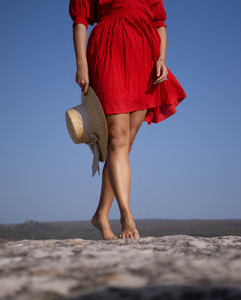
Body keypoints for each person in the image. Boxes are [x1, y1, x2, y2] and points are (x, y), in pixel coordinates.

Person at [69, 0, 187, 240]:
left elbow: (159, 24)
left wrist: (162, 59)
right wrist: (81, 64)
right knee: (117, 137)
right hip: (108, 47)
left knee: (125, 143)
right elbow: (80, 21)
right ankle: (126, 215)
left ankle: (101, 214)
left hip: (144, 55)